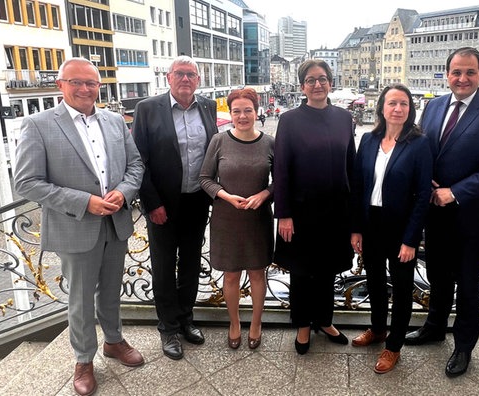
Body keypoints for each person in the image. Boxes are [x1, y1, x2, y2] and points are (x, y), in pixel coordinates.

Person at [14, 57, 145, 396]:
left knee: (112, 290)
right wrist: (84, 202)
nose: (85, 89)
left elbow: (135, 165)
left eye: (92, 82)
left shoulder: (115, 121)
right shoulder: (38, 124)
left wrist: (124, 192)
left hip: (115, 223)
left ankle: (114, 342)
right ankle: (84, 359)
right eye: (77, 82)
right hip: (75, 226)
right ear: (61, 85)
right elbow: (27, 182)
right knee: (81, 298)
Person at [406, 47, 479, 378]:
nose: (462, 78)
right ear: (447, 74)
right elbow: (423, 150)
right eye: (456, 72)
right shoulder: (434, 105)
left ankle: (464, 345)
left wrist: (454, 192)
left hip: (471, 216)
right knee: (438, 277)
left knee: (468, 284)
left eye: (469, 72)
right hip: (434, 213)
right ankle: (434, 327)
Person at [132, 56, 218, 360]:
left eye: (191, 74)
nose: (185, 79)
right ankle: (167, 327)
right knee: (165, 267)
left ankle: (186, 319)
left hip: (196, 200)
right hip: (162, 205)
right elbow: (137, 161)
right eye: (179, 74)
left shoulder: (207, 106)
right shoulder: (147, 108)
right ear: (168, 77)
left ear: (198, 79)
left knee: (192, 263)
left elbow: (214, 152)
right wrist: (152, 203)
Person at [273, 59, 355, 354]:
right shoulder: (290, 120)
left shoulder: (344, 118)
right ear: (302, 86)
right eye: (311, 80)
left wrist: (354, 215)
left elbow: (351, 165)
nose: (317, 84)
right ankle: (304, 325)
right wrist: (283, 213)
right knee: (302, 271)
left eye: (322, 79)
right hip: (301, 211)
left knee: (328, 270)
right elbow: (280, 169)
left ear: (330, 82)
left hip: (336, 210)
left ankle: (324, 319)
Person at [350, 84, 432, 373]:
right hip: (371, 222)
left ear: (410, 109)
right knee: (373, 280)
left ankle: (394, 345)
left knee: (401, 286)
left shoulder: (419, 143)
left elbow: (423, 196)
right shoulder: (369, 140)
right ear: (381, 108)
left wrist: (411, 240)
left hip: (401, 227)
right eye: (392, 103)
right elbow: (359, 186)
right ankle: (377, 329)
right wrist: (356, 228)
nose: (398, 109)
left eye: (404, 104)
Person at [199, 88, 274, 350]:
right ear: (230, 113)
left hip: (257, 219)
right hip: (226, 218)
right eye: (237, 111)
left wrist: (264, 194)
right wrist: (226, 196)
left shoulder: (269, 142)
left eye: (248, 110)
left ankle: (256, 323)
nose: (242, 116)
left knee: (257, 273)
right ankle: (234, 323)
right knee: (230, 275)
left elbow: (280, 182)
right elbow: (205, 179)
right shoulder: (218, 140)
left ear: (257, 111)